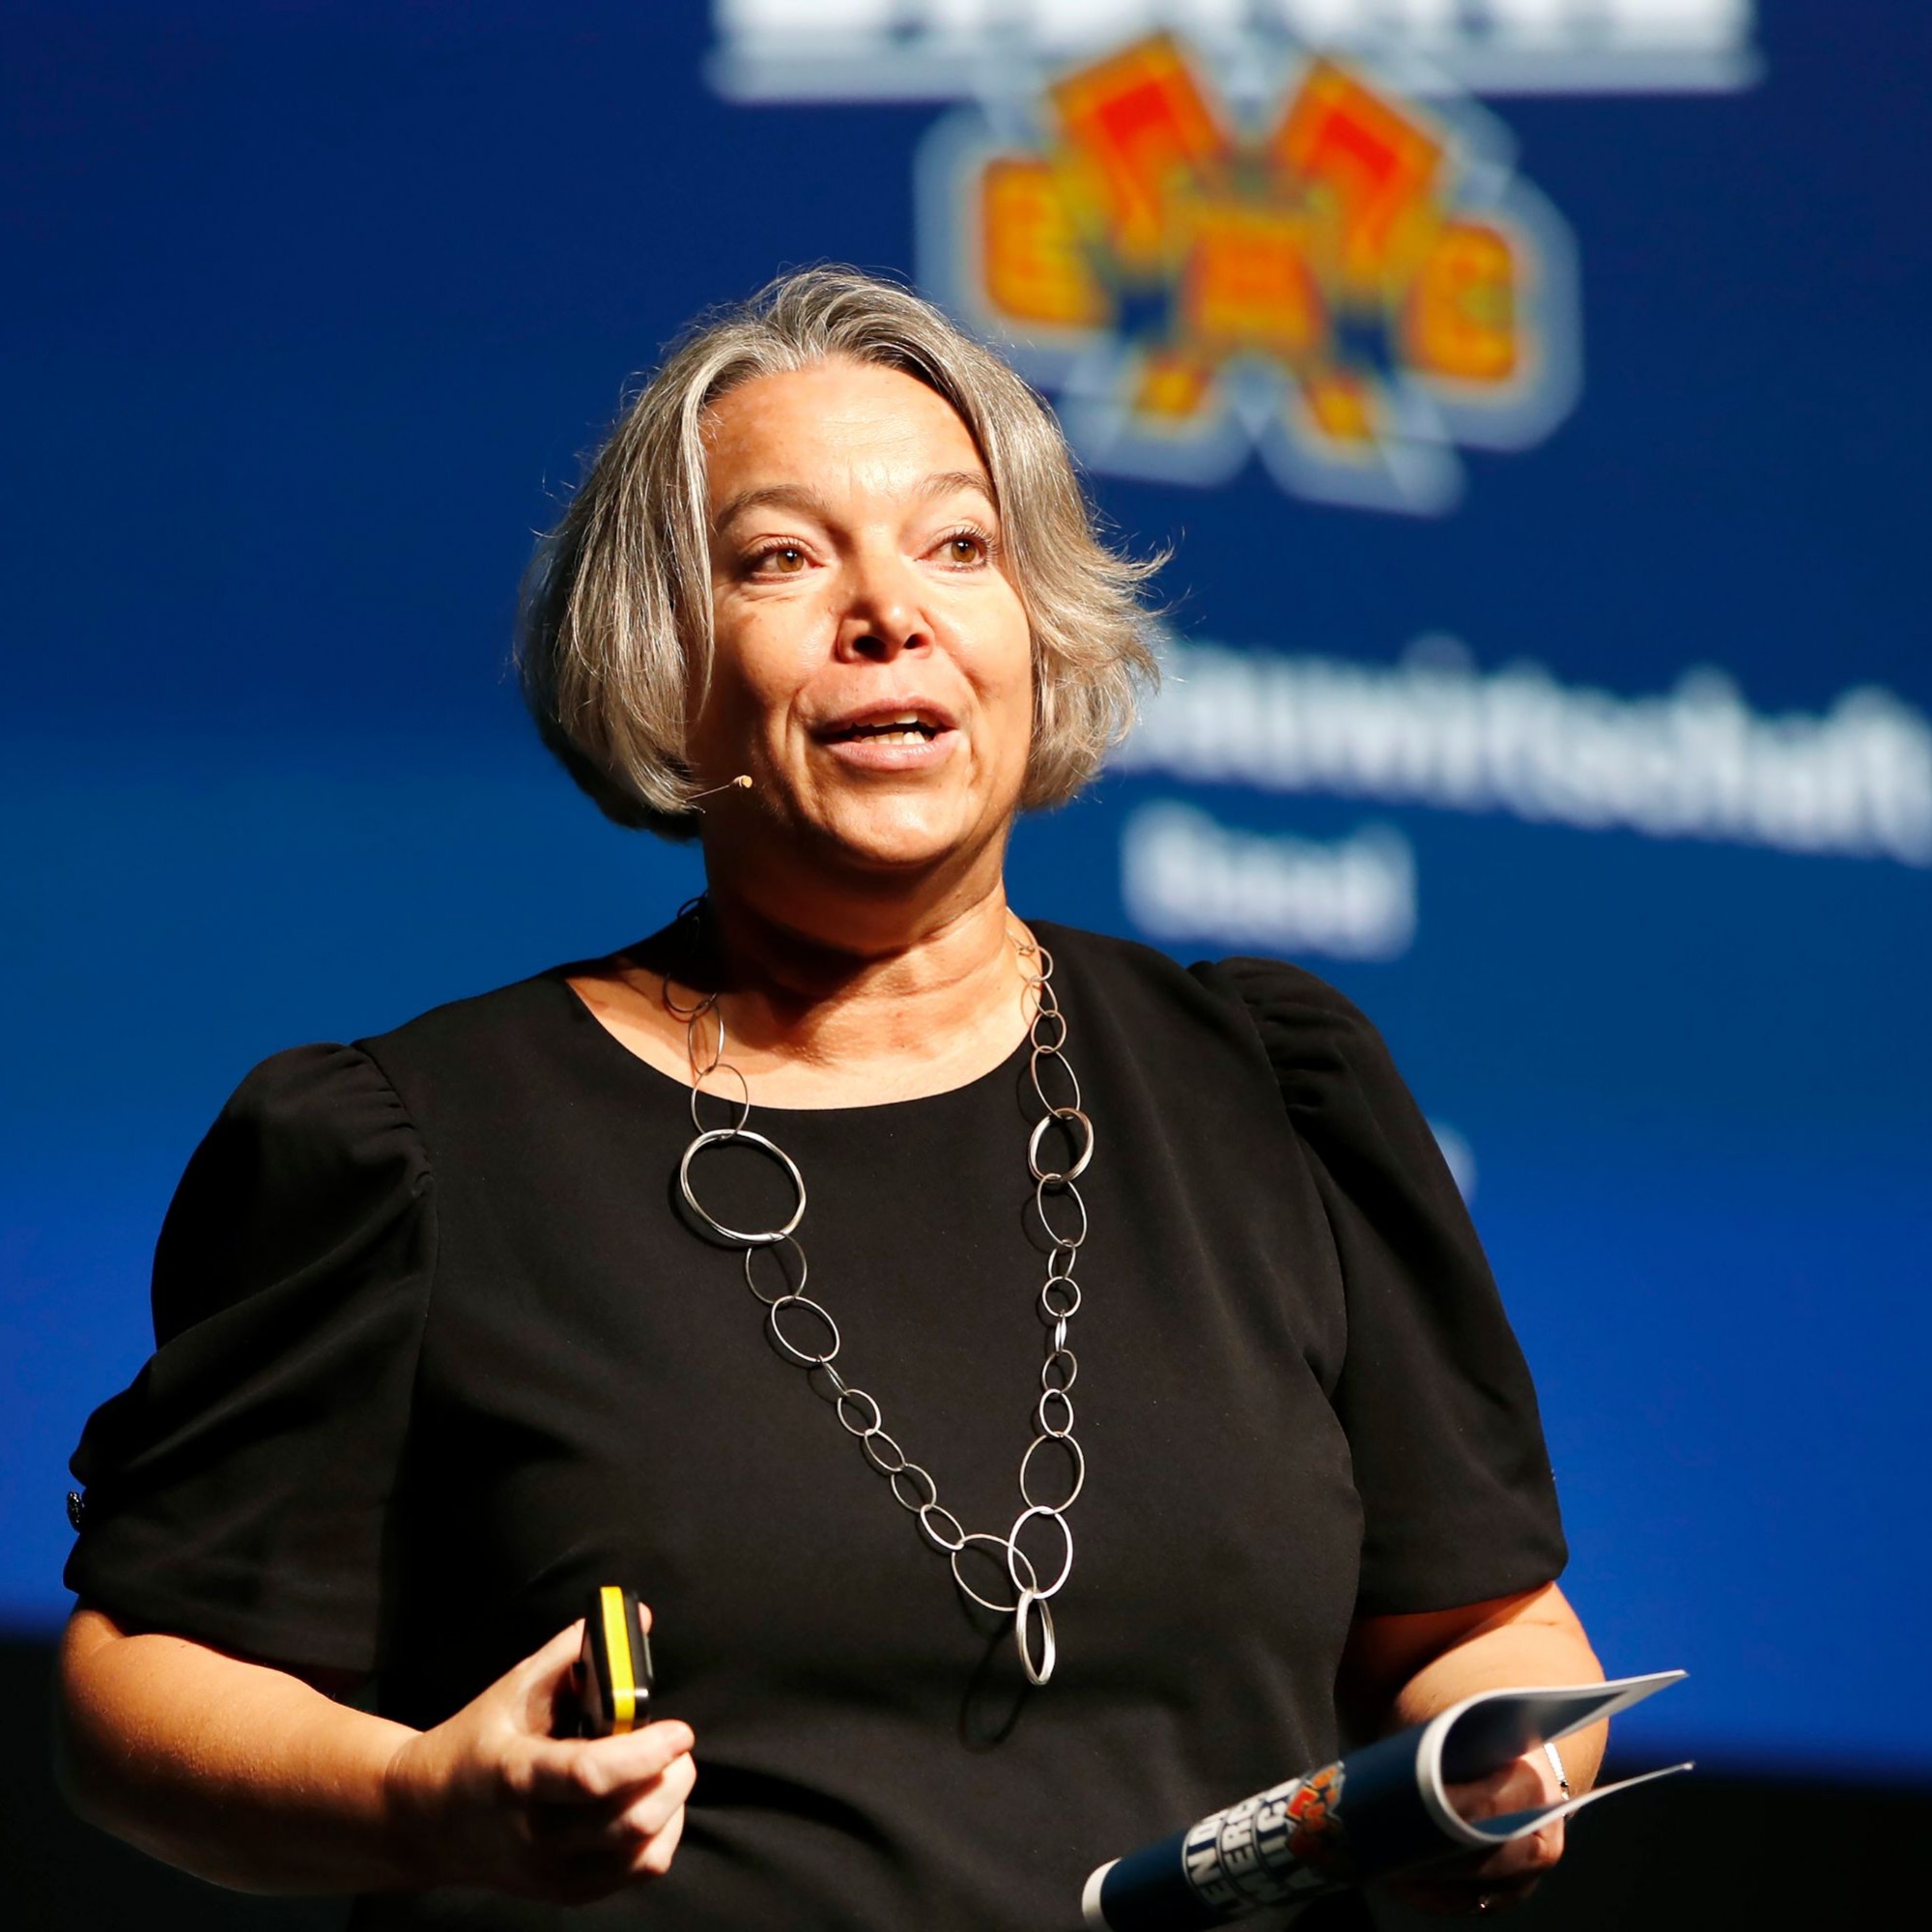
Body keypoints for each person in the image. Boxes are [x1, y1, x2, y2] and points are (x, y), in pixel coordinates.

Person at [56, 267, 1605, 1931]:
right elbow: (142, 1685)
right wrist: (427, 1802)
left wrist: (1493, 1776)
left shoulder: (1268, 1095)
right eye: (784, 559)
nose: (894, 613)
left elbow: (1483, 1627)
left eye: (960, 547)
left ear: (1038, 629)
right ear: (661, 662)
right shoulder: (420, 1148)